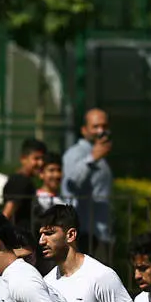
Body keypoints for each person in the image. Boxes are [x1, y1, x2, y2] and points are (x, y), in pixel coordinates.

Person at [62, 109, 114, 254]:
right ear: (84, 130)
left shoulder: (100, 154)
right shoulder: (76, 153)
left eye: (104, 126)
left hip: (101, 233)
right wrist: (91, 158)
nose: (101, 131)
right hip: (85, 234)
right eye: (95, 127)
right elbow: (71, 182)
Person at [3, 138, 47, 234]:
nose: (41, 163)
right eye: (36, 158)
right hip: (20, 241)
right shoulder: (20, 181)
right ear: (23, 159)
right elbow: (7, 213)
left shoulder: (26, 181)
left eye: (42, 159)